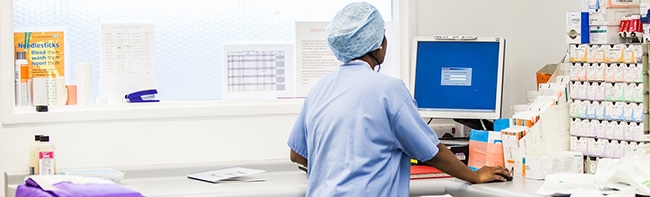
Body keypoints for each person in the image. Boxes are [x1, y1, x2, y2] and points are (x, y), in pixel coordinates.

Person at [287, 2, 511, 196]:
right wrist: (474, 176)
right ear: (380, 44)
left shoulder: (320, 88)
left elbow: (297, 155)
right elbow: (434, 153)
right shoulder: (388, 90)